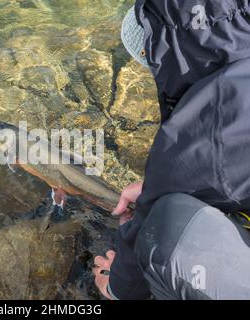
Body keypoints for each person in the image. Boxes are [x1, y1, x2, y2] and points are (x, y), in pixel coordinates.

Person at [93, 0, 250, 300]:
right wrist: (176, 184)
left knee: (167, 228)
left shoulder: (205, 133)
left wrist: (116, 288)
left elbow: (144, 228)